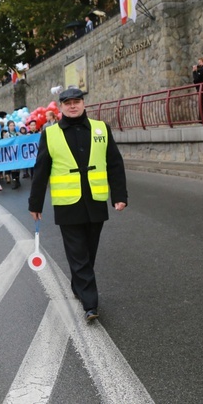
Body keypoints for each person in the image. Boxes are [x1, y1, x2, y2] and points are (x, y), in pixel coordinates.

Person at [28, 88, 128, 322]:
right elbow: (40, 171)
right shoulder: (50, 134)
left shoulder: (101, 129)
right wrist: (36, 203)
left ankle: (79, 285)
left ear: (83, 104)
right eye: (68, 103)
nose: (73, 106)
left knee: (88, 252)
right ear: (60, 107)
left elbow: (114, 163)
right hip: (67, 204)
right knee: (77, 253)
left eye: (77, 102)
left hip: (95, 201)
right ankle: (91, 304)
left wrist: (119, 195)